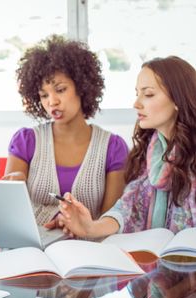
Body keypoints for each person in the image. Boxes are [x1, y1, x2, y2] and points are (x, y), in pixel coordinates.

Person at [58, 56, 196, 238]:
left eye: (148, 94)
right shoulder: (151, 153)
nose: (136, 103)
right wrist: (89, 227)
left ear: (178, 99)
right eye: (137, 93)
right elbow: (129, 207)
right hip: (157, 258)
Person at [3, 35, 128, 227]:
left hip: (88, 248)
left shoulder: (113, 147)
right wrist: (56, 217)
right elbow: (12, 210)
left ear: (82, 87)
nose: (52, 102)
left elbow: (111, 218)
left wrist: (80, 225)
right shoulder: (26, 140)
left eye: (60, 90)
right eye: (44, 95)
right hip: (33, 247)